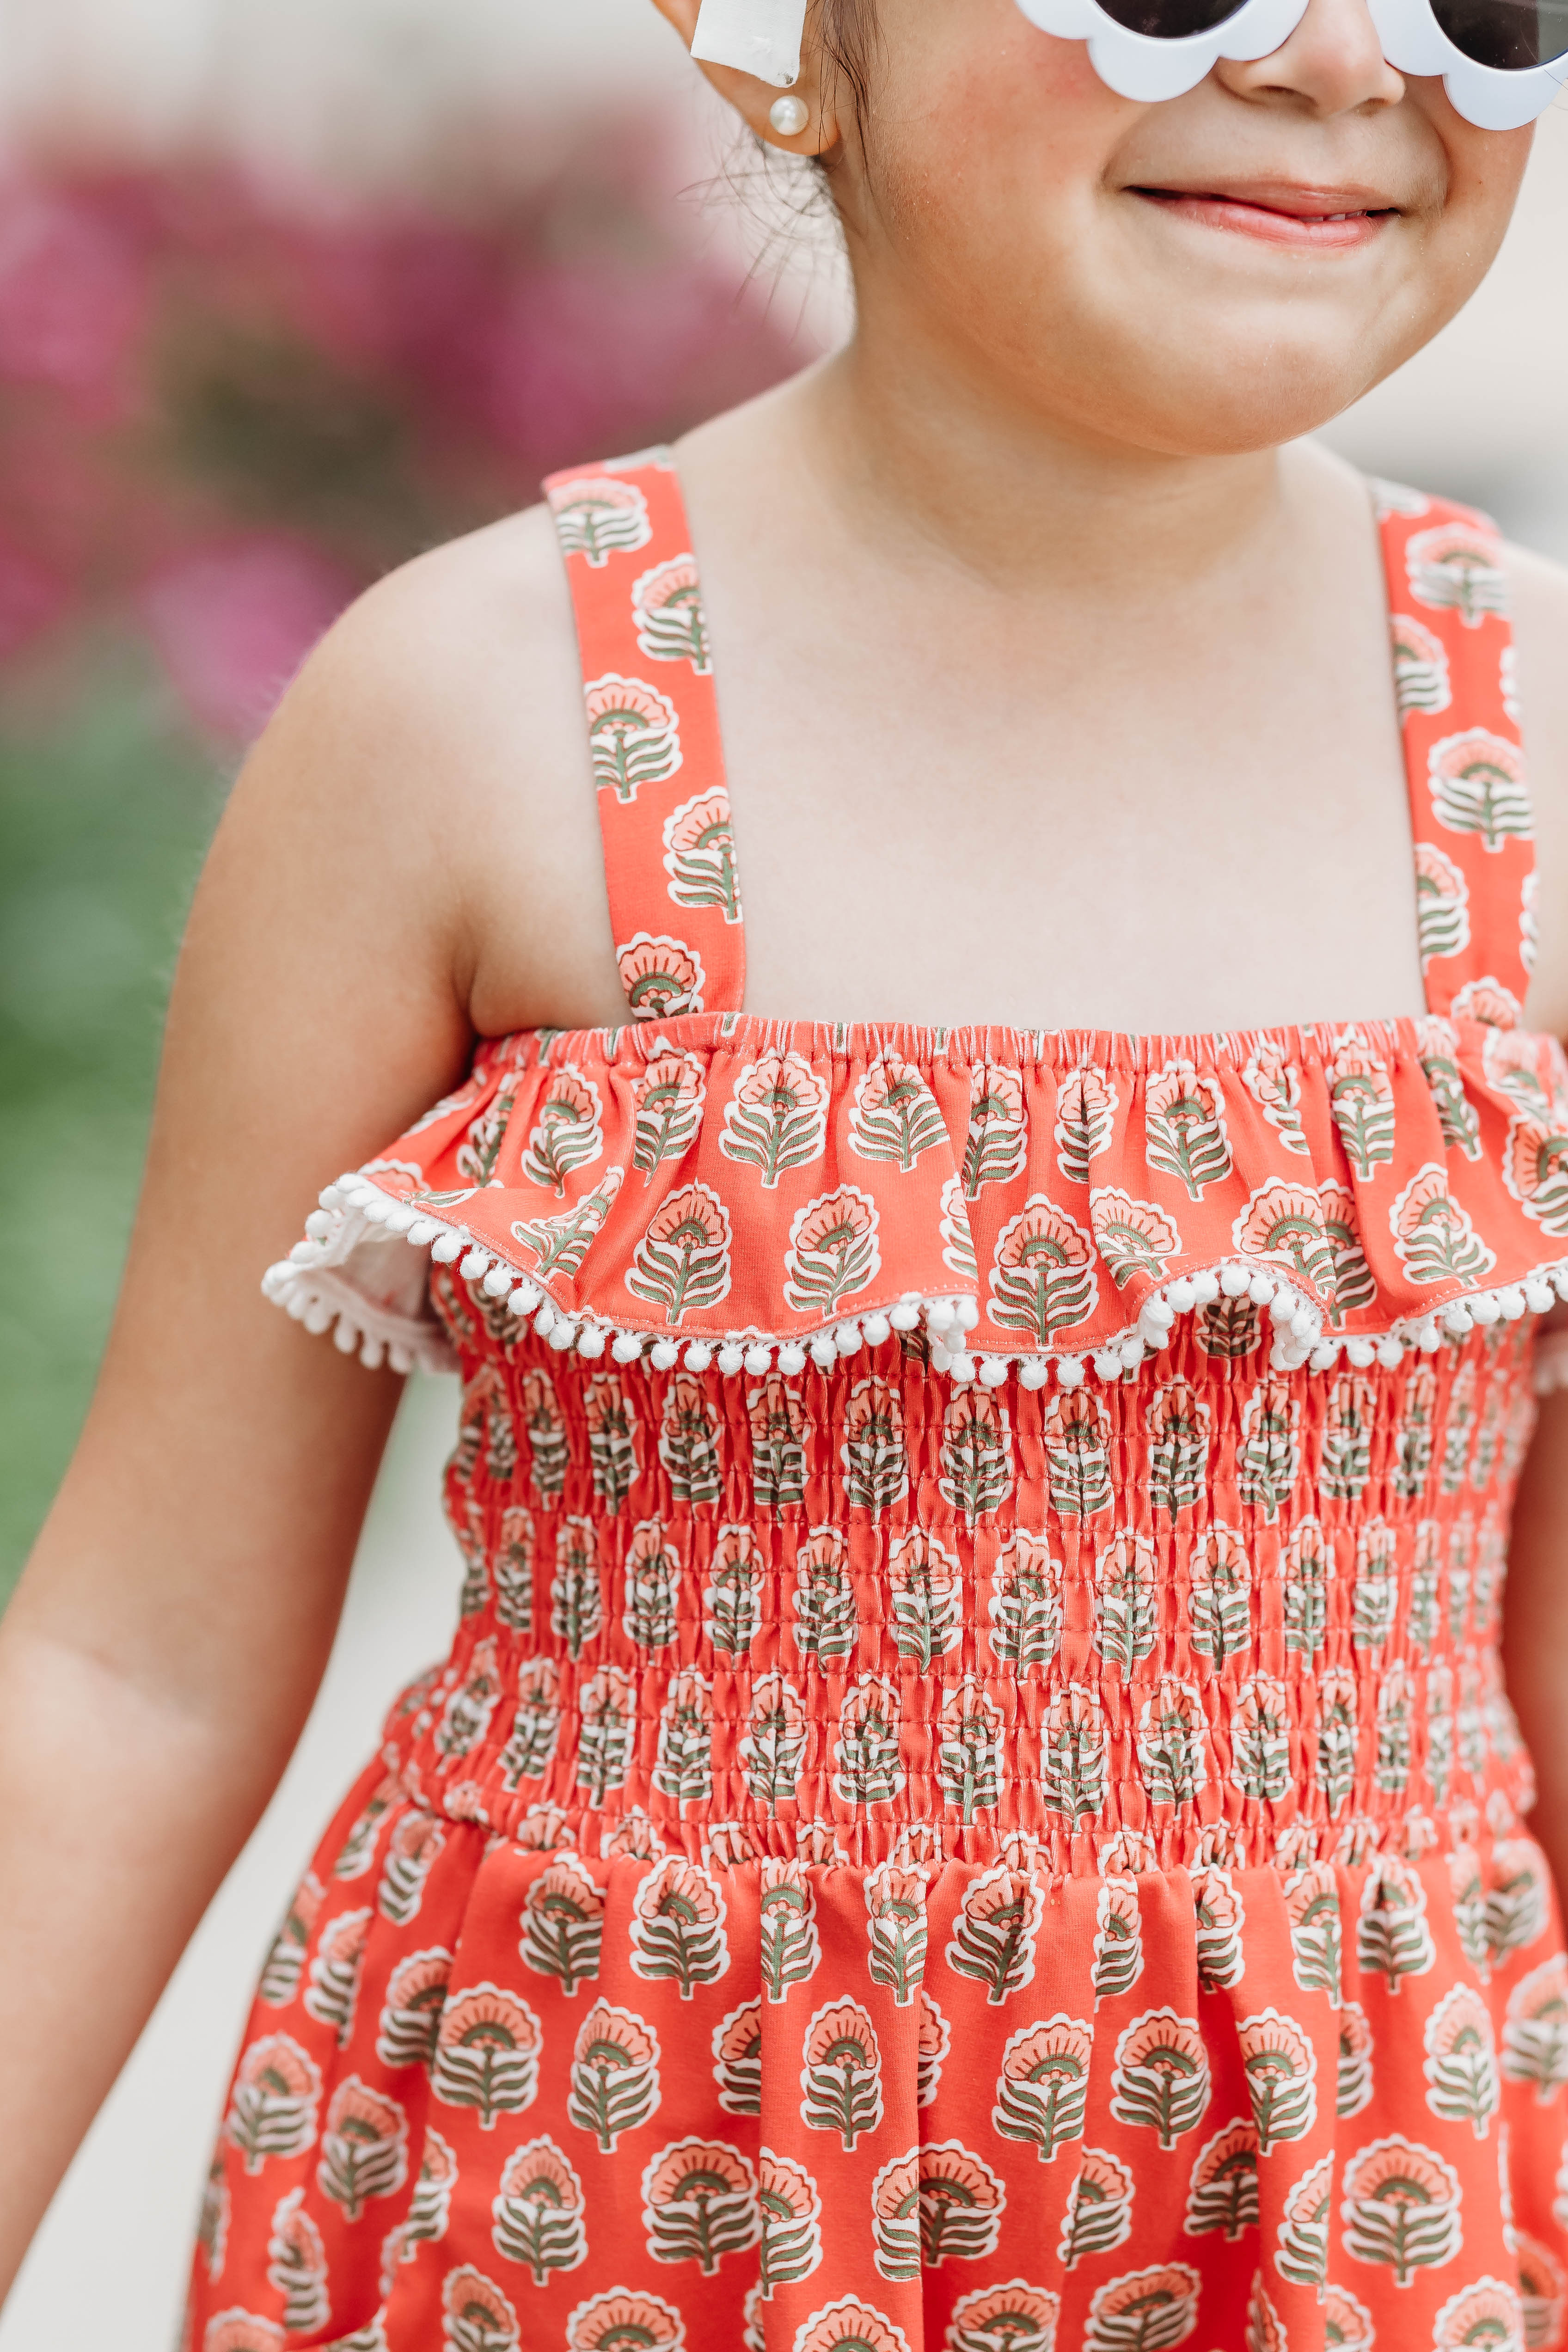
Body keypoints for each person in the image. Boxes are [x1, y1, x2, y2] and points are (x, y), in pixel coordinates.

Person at [7, 0, 1568, 2339]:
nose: (1349, 61)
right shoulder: (481, 714)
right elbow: (140, 1659)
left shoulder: (1530, 746)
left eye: (1483, 3)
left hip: (1343, 2209)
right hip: (599, 2174)